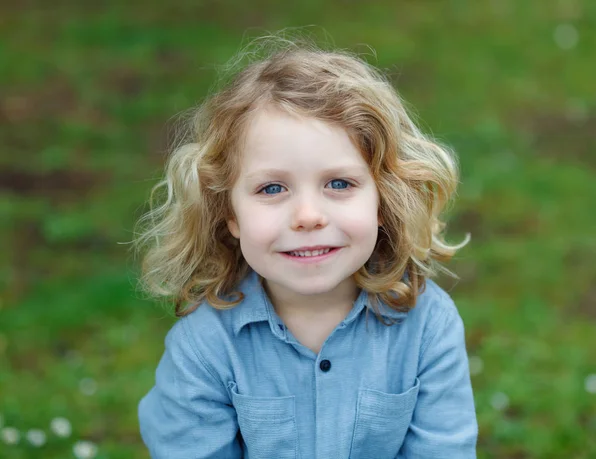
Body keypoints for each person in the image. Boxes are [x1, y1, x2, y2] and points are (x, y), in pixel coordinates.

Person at [135, 35, 477, 458]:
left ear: (382, 202)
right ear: (230, 214)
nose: (308, 215)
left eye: (339, 183)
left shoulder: (428, 327)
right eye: (273, 187)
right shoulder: (204, 348)